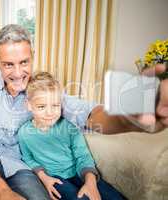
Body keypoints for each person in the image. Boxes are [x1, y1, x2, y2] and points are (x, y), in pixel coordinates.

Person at [0, 24, 167, 200]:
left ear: (33, 57)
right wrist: (1, 190)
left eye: (24, 62)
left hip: (19, 167)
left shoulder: (41, 88)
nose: (18, 73)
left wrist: (125, 117)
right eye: (8, 65)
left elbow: (88, 113)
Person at [18, 72, 125, 200]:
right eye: (41, 107)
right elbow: (28, 158)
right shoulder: (24, 133)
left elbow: (83, 156)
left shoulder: (70, 128)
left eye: (55, 106)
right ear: (29, 105)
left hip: (79, 173)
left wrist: (90, 181)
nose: (50, 113)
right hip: (55, 179)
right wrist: (43, 177)